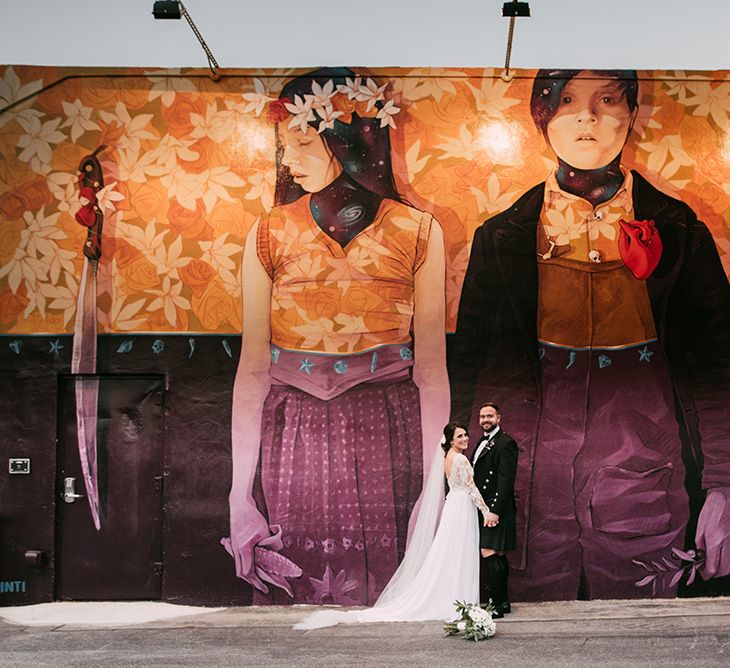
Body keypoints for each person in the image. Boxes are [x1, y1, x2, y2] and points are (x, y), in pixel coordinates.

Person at [449, 69, 730, 601]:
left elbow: (719, 366)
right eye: (568, 101)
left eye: (607, 99)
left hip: (646, 465)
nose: (587, 117)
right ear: (542, 116)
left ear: (632, 115)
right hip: (528, 474)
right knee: (526, 625)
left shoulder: (679, 228)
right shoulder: (502, 235)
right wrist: (459, 474)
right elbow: (470, 365)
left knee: (647, 626)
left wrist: (724, 485)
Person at [223, 68, 449, 605]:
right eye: (284, 145)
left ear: (350, 140)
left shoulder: (418, 231)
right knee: (295, 583)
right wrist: (239, 496)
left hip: (388, 427)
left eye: (302, 141)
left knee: (388, 586)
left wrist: (431, 486)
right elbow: (253, 369)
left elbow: (432, 371)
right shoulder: (268, 231)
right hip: (292, 429)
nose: (289, 159)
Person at [294, 422, 490, 629]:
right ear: (451, 440)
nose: (465, 438)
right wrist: (486, 511)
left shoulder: (447, 457)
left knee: (452, 552)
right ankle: (460, 599)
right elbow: (471, 487)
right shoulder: (459, 458)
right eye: (460, 436)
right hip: (461, 507)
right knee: (460, 551)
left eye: (466, 435)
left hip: (454, 505)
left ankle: (456, 598)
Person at [471, 403, 517, 617]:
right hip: (486, 505)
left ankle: (497, 606)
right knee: (497, 552)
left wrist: (494, 510)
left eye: (489, 415)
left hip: (495, 507)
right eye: (482, 416)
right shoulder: (483, 441)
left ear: (499, 417)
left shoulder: (505, 443)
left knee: (489, 551)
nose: (485, 419)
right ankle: (503, 602)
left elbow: (506, 480)